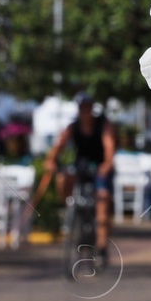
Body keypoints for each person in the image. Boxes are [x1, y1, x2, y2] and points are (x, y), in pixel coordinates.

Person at [39, 93, 117, 252]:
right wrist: (51, 160)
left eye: (87, 107)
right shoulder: (73, 126)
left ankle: (102, 246)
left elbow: (109, 146)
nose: (85, 111)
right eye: (82, 107)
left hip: (100, 166)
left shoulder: (103, 124)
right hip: (81, 165)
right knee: (63, 178)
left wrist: (108, 163)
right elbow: (59, 145)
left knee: (103, 202)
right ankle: (70, 210)